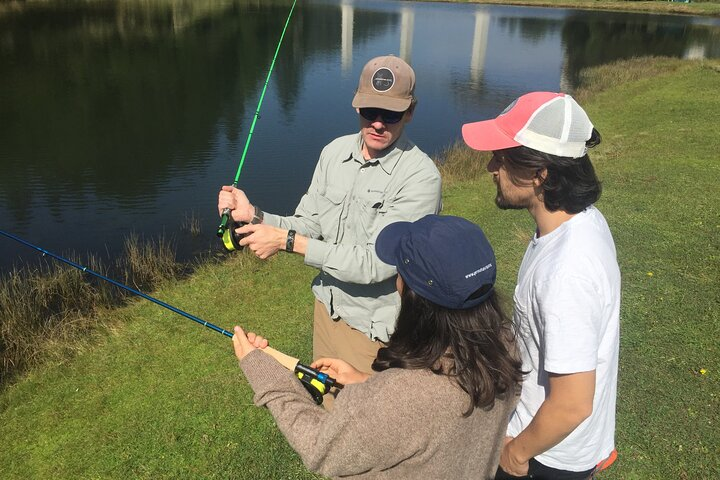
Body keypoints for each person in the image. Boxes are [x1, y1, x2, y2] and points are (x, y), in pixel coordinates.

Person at [218, 56, 442, 402]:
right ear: (357, 106)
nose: (378, 124)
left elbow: (376, 264)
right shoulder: (334, 152)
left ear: (410, 111)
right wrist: (254, 216)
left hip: (375, 331)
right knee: (325, 405)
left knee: (369, 427)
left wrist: (288, 242)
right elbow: (309, 223)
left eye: (391, 114)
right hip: (327, 311)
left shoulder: (420, 177)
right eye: (369, 110)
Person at [232, 214, 523, 479]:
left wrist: (265, 373)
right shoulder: (504, 346)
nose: (397, 281)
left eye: (401, 273)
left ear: (412, 294)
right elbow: (436, 410)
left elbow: (321, 448)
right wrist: (365, 381)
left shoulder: (404, 395)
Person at [462, 92, 620, 479]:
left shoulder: (568, 271)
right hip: (545, 440)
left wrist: (517, 454)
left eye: (501, 158)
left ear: (540, 173)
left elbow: (572, 404)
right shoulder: (579, 221)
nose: (490, 167)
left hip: (548, 457)